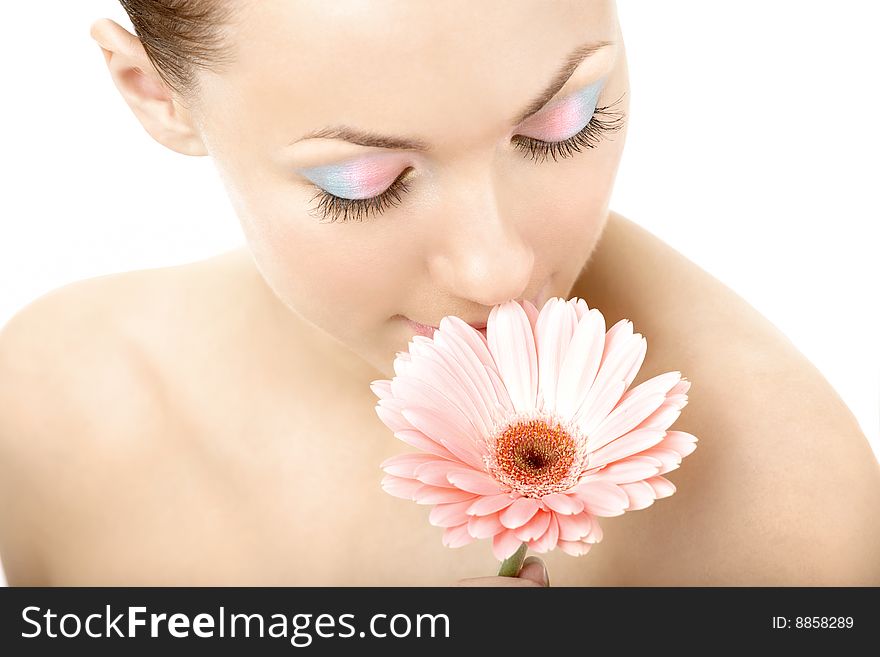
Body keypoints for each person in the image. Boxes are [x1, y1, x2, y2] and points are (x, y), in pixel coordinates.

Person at [0, 0, 877, 587]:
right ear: (152, 92)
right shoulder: (49, 405)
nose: (497, 270)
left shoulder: (779, 515)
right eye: (364, 182)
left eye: (562, 123)